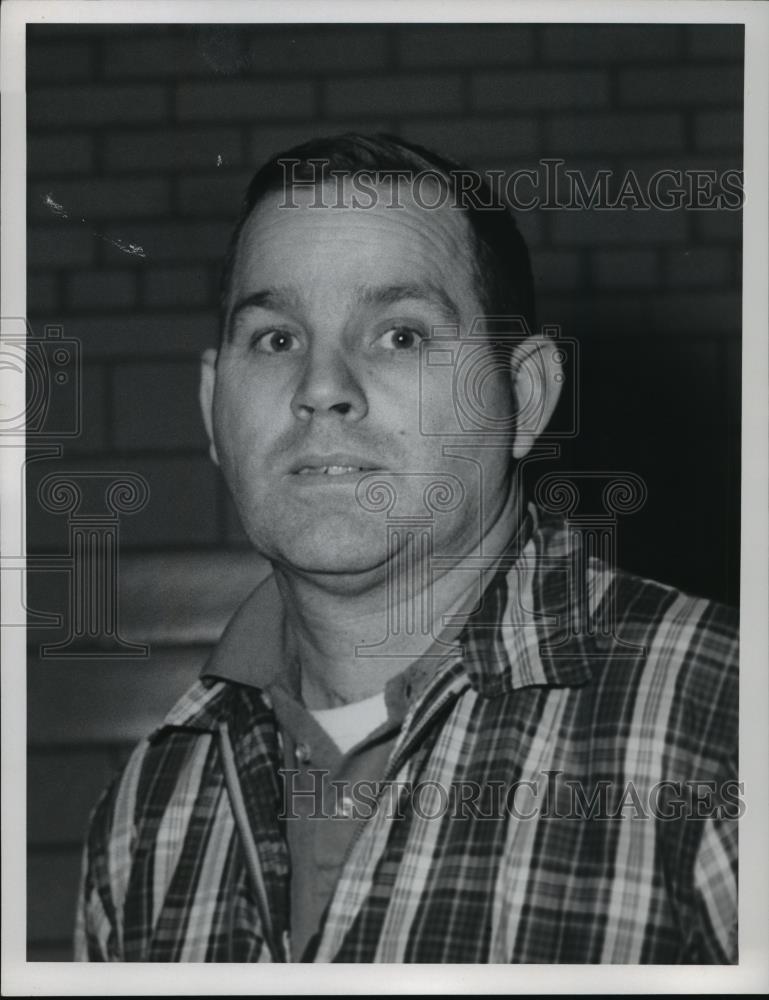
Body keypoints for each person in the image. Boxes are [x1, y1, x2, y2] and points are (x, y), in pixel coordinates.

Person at [74, 133, 739, 963]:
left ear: (524, 398)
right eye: (276, 339)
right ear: (214, 403)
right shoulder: (147, 810)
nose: (320, 388)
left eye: (400, 335)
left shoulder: (724, 721)